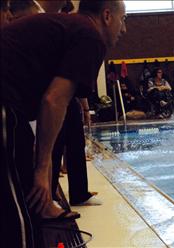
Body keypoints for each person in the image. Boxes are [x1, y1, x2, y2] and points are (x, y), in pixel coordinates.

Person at [1, 0, 127, 246]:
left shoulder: (69, 27)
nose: (124, 29)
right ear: (107, 16)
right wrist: (42, 169)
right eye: (124, 20)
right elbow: (53, 101)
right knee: (15, 212)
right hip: (5, 102)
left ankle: (43, 205)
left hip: (11, 103)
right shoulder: (90, 36)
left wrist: (42, 165)